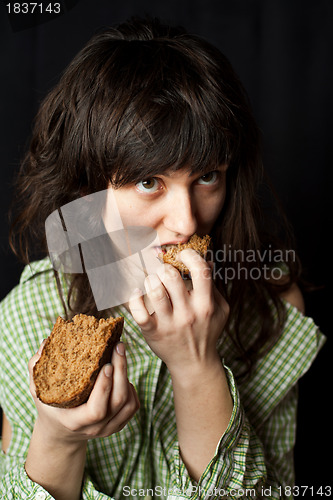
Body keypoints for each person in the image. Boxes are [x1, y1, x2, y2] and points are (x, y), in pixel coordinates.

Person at [0, 16, 325, 500]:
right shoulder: (34, 310)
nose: (188, 222)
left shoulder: (273, 311)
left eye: (208, 177)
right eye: (149, 182)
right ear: (90, 186)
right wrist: (60, 438)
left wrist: (198, 367)